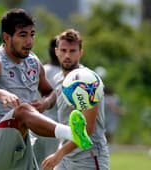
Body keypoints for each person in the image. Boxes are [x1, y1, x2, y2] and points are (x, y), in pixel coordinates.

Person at [0, 9, 92, 170]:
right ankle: (71, 134)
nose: (29, 41)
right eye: (23, 35)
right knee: (22, 110)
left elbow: (50, 92)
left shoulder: (34, 63)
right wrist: (0, 93)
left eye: (32, 34)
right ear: (7, 37)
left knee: (36, 118)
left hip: (23, 142)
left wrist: (45, 104)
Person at [42, 29, 109, 170]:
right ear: (56, 52)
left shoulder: (88, 81)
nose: (67, 55)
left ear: (80, 53)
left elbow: (87, 130)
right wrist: (45, 103)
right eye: (63, 50)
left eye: (72, 51)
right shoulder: (58, 79)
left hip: (89, 157)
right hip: (66, 155)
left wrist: (58, 154)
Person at [31, 37, 61, 168]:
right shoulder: (65, 74)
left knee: (34, 165)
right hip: (54, 127)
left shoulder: (40, 69)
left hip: (34, 124)